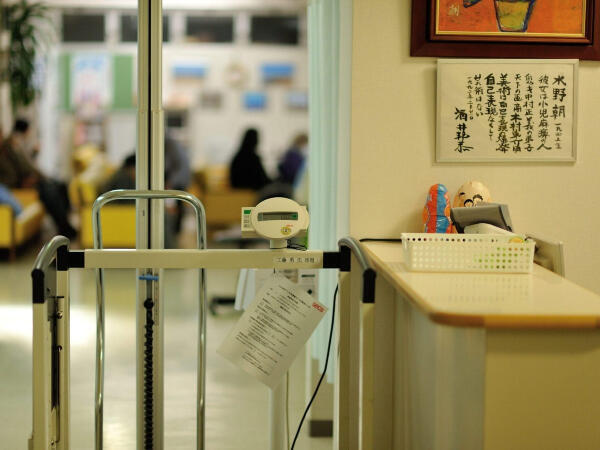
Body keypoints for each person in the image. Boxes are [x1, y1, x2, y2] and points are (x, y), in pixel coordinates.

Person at [0, 119, 76, 238]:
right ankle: (64, 226)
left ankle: (65, 224)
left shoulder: (7, 147)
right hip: (16, 186)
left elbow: (22, 166)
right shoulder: (7, 147)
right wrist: (22, 182)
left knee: (59, 185)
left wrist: (33, 177)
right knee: (49, 191)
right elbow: (7, 179)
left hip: (25, 181)